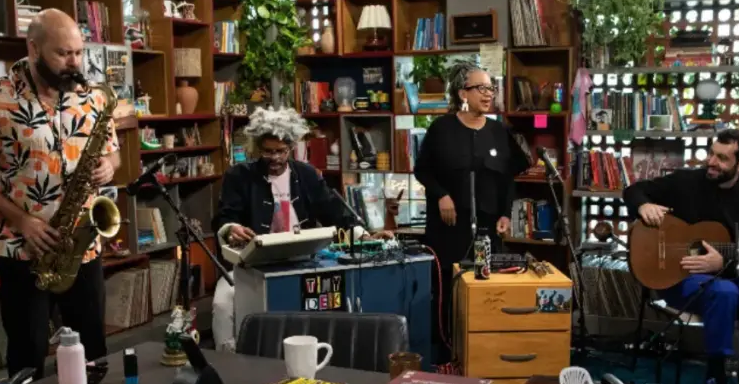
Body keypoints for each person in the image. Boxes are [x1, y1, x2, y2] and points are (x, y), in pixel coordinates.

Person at [0, 9, 120, 379]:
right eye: (63, 53)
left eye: (78, 52)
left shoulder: (91, 98)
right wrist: (21, 220)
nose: (74, 62)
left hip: (83, 245)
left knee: (92, 354)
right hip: (24, 248)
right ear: (33, 47)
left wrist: (110, 165)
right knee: (28, 358)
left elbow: (112, 151)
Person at [211, 107, 393, 350]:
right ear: (257, 148)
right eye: (267, 151)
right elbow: (224, 217)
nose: (274, 158)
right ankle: (227, 361)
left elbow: (334, 212)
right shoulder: (239, 176)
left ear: (290, 148)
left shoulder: (306, 175)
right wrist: (231, 227)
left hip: (303, 262)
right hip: (251, 264)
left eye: (280, 151)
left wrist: (365, 235)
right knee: (222, 304)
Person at [622, 129, 739, 384]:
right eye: (711, 154)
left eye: (722, 158)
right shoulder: (686, 182)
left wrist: (724, 264)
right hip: (682, 277)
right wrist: (643, 205)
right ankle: (715, 374)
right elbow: (634, 190)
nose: (711, 162)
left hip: (730, 276)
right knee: (724, 292)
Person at [413, 62, 531, 363]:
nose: (488, 94)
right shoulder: (442, 129)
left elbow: (507, 178)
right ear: (463, 92)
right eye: (481, 88)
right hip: (449, 228)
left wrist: (505, 214)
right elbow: (422, 170)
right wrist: (441, 195)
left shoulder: (497, 131)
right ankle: (445, 356)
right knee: (446, 292)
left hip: (488, 230)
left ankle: (485, 352)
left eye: (491, 88)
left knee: (486, 291)